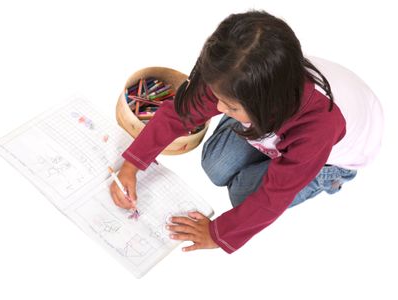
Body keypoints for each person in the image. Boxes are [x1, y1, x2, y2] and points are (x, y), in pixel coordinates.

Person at [109, 10, 383, 254]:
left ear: (264, 103)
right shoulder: (238, 73)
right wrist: (132, 165)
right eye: (219, 98)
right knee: (215, 165)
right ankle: (260, 135)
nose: (216, 107)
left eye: (228, 106)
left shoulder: (318, 127)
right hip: (272, 121)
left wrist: (218, 234)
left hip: (332, 155)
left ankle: (329, 176)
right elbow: (182, 113)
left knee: (242, 196)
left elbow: (272, 198)